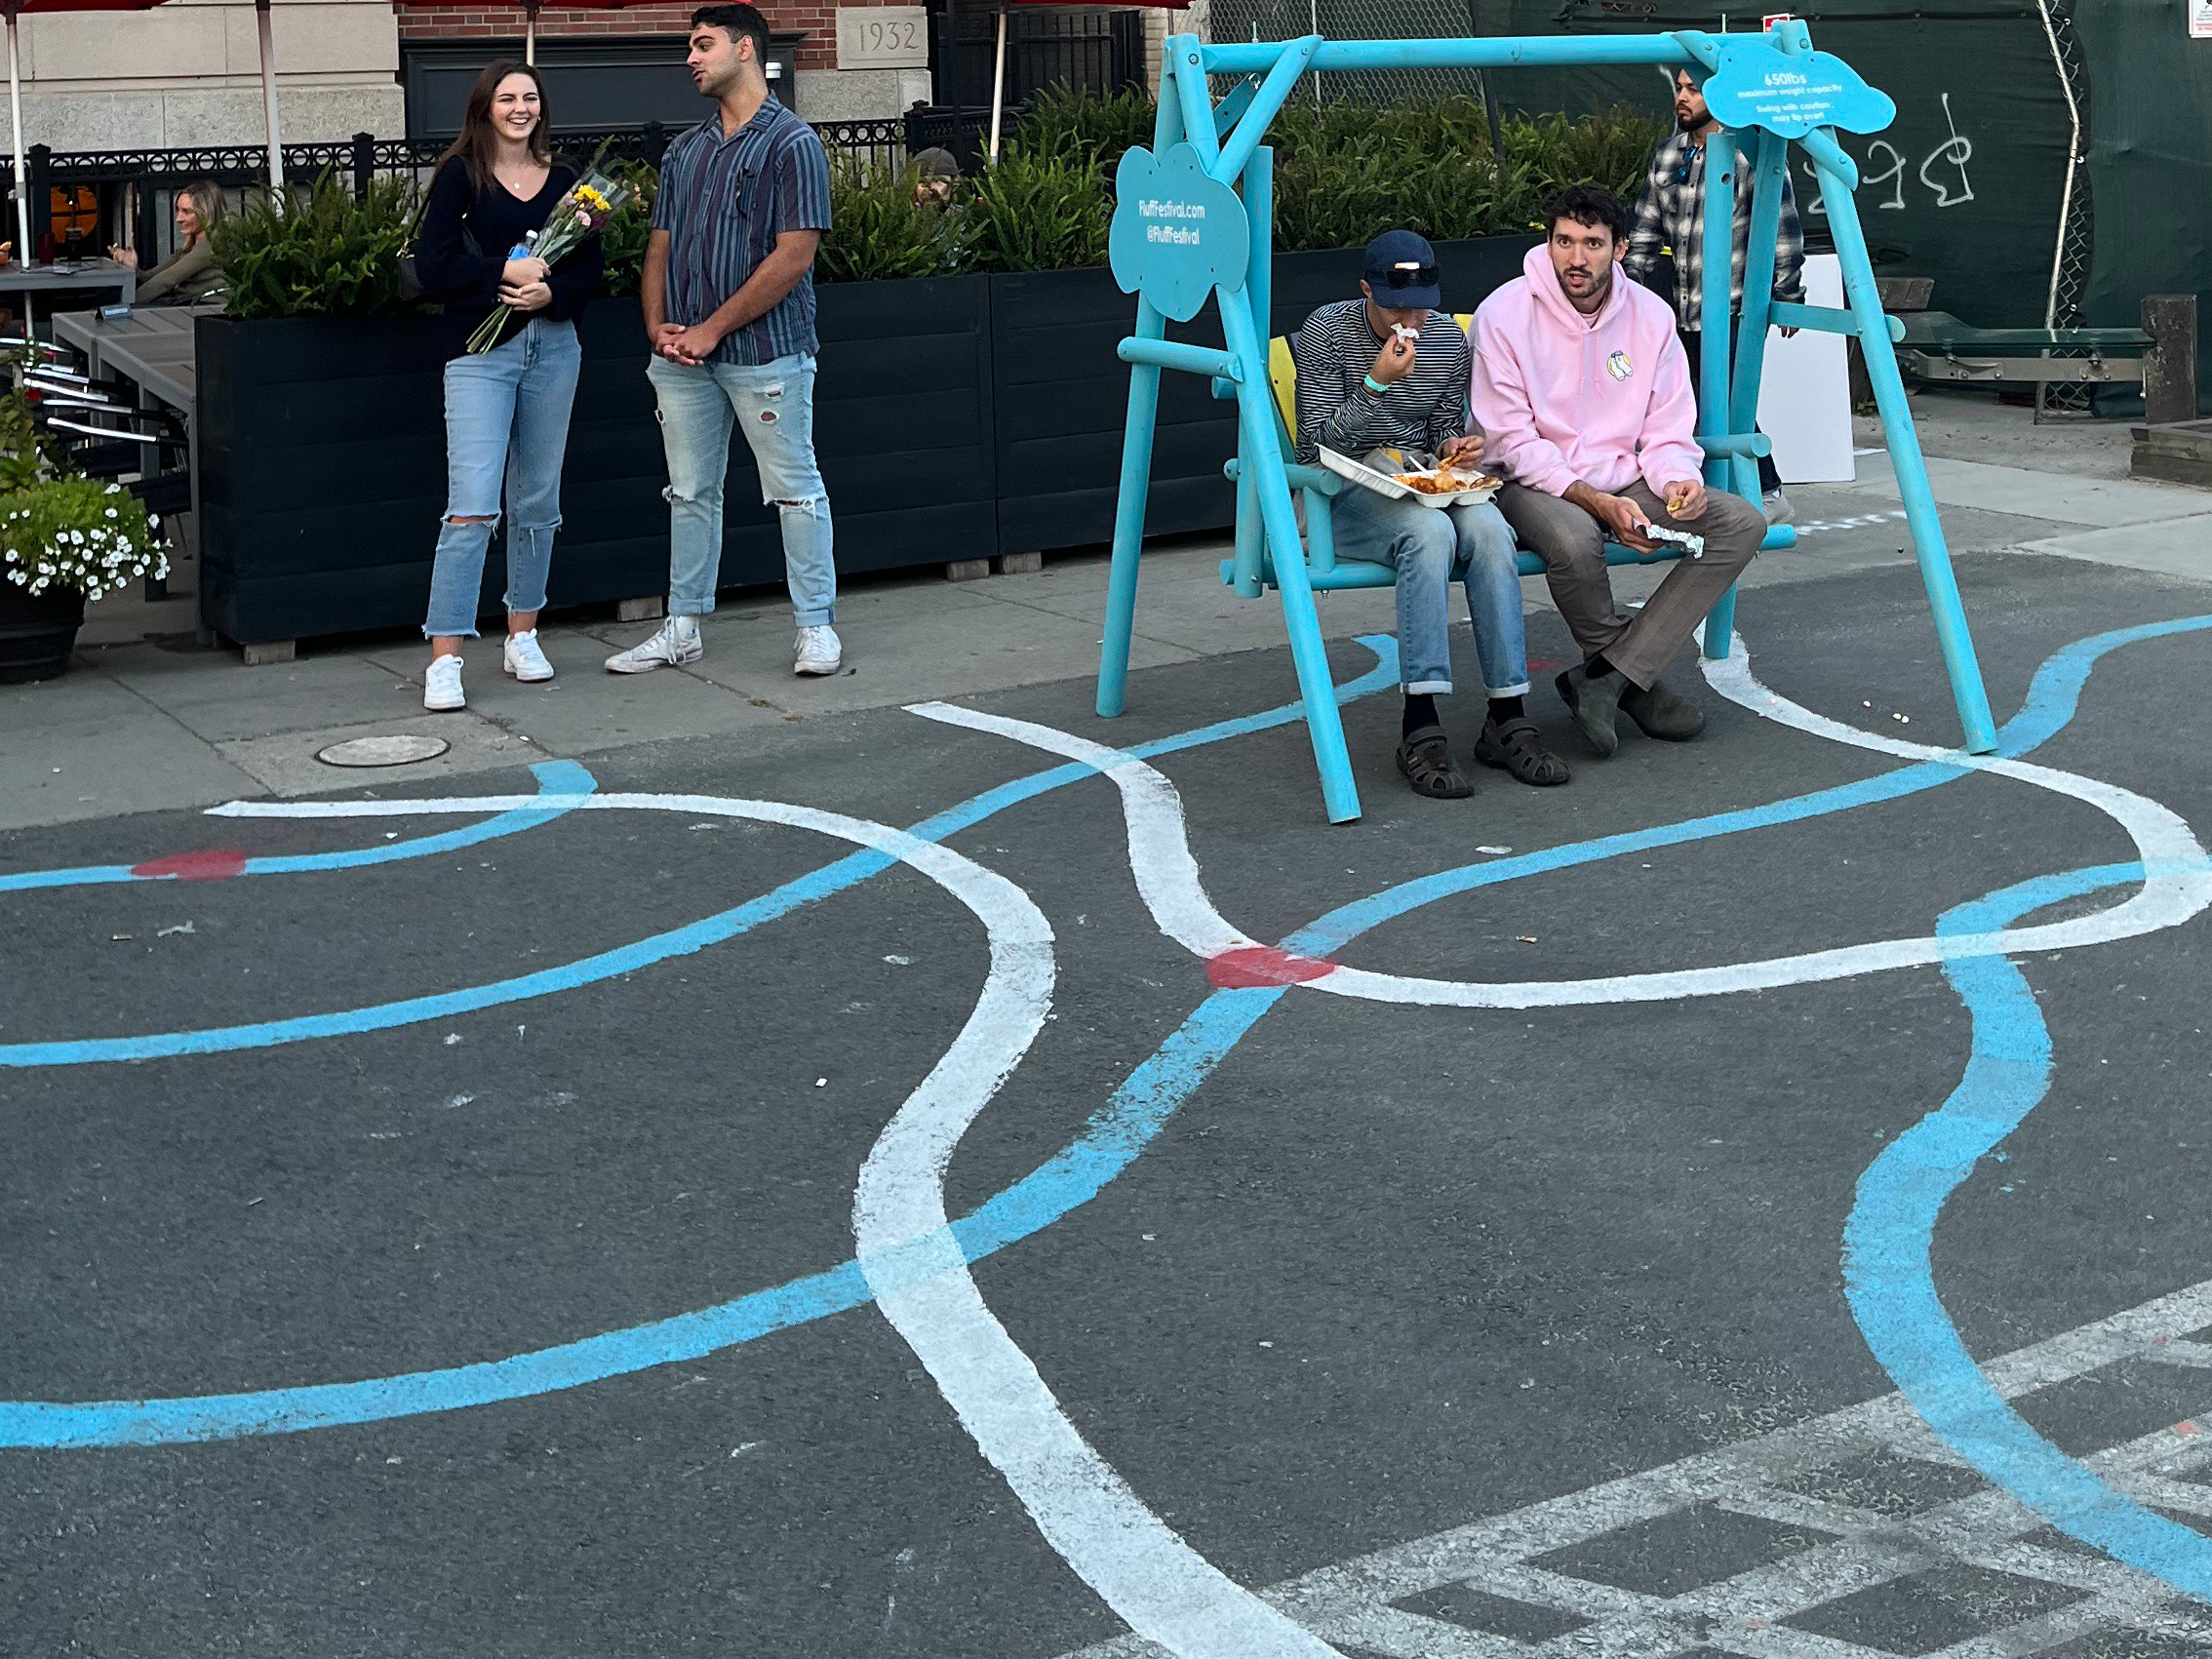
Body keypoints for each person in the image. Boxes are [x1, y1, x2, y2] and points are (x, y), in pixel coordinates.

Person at [1471, 184, 1764, 760]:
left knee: (1741, 523)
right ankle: (1631, 682)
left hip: (1625, 474)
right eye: (1563, 241)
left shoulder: (1652, 316)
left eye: (1592, 243)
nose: (1575, 258)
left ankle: (1606, 680)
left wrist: (1679, 477)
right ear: (1548, 243)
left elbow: (1667, 425)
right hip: (1529, 479)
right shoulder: (1503, 314)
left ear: (1621, 248)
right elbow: (1509, 441)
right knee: (1577, 540)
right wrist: (1597, 503)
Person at [604, 2, 841, 678]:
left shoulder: (794, 144)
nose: (690, 58)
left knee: (795, 490)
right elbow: (660, 246)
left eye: (702, 44)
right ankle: (682, 626)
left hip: (766, 353)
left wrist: (710, 329)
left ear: (744, 49)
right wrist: (657, 328)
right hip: (682, 359)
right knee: (689, 492)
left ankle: (815, 625)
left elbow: (794, 255)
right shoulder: (684, 149)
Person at [1292, 229, 1567, 800]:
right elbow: (1315, 449)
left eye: (1421, 305)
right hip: (1340, 490)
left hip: (1416, 478)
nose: (1410, 320)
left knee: (1492, 529)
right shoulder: (1326, 333)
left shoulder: (1446, 339)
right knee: (1428, 532)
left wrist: (1457, 446)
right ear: (1365, 289)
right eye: (1395, 305)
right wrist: (1375, 383)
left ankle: (1507, 713)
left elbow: (1442, 427)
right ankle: (1419, 725)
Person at [412, 58, 603, 713]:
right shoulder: (458, 180)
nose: (520, 107)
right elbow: (434, 267)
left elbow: (591, 272)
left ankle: (524, 631)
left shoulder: (572, 184)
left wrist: (550, 290)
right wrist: (506, 275)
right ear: (484, 108)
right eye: (506, 98)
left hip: (554, 349)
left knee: (538, 499)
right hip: (479, 352)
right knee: (472, 504)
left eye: (529, 97)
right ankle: (446, 654)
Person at [1623, 65, 1804, 521]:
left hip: (1737, 306)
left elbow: (1782, 225)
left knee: (1724, 402)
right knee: (1695, 403)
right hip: (1684, 306)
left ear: (1721, 94)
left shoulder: (1752, 155)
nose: (1681, 97)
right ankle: (1731, 493)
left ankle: (1767, 494)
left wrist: (1787, 295)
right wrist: (1626, 295)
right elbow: (1644, 231)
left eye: (1693, 89)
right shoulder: (1669, 154)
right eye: (1678, 88)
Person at [109, 180, 224, 306]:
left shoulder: (212, 244)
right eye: (177, 210)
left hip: (206, 307)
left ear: (206, 213)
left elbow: (168, 280)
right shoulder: (192, 244)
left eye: (186, 211)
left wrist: (123, 305)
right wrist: (133, 268)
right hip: (186, 304)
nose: (178, 218)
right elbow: (152, 277)